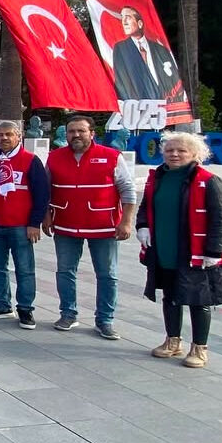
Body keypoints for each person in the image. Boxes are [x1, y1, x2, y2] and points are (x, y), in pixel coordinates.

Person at [139, 132, 222, 369]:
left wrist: (214, 251)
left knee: (199, 300)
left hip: (196, 251)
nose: (175, 154)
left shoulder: (209, 181)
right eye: (170, 150)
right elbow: (145, 206)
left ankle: (199, 348)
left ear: (195, 154)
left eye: (181, 150)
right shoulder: (157, 177)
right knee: (170, 297)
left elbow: (220, 219)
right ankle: (172, 341)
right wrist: (142, 227)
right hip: (166, 249)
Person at [42, 115, 137, 339]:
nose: (76, 135)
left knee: (107, 274)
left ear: (92, 133)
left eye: (81, 131)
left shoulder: (111, 157)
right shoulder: (54, 157)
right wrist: (46, 215)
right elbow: (45, 190)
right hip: (65, 224)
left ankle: (105, 320)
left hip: (103, 226)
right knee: (65, 272)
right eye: (71, 131)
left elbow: (128, 190)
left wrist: (126, 221)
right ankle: (68, 313)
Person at [0, 120, 49, 329]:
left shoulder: (31, 161)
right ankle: (2, 305)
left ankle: (25, 309)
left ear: (19, 136)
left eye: (9, 134)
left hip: (20, 225)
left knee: (24, 269)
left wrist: (35, 223)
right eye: (0, 135)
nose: (4, 138)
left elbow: (42, 195)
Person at [111, 6, 186, 103]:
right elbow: (121, 82)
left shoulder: (161, 50)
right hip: (138, 107)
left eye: (128, 17)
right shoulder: (121, 49)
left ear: (140, 23)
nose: (124, 22)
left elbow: (173, 79)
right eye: (122, 17)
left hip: (165, 105)